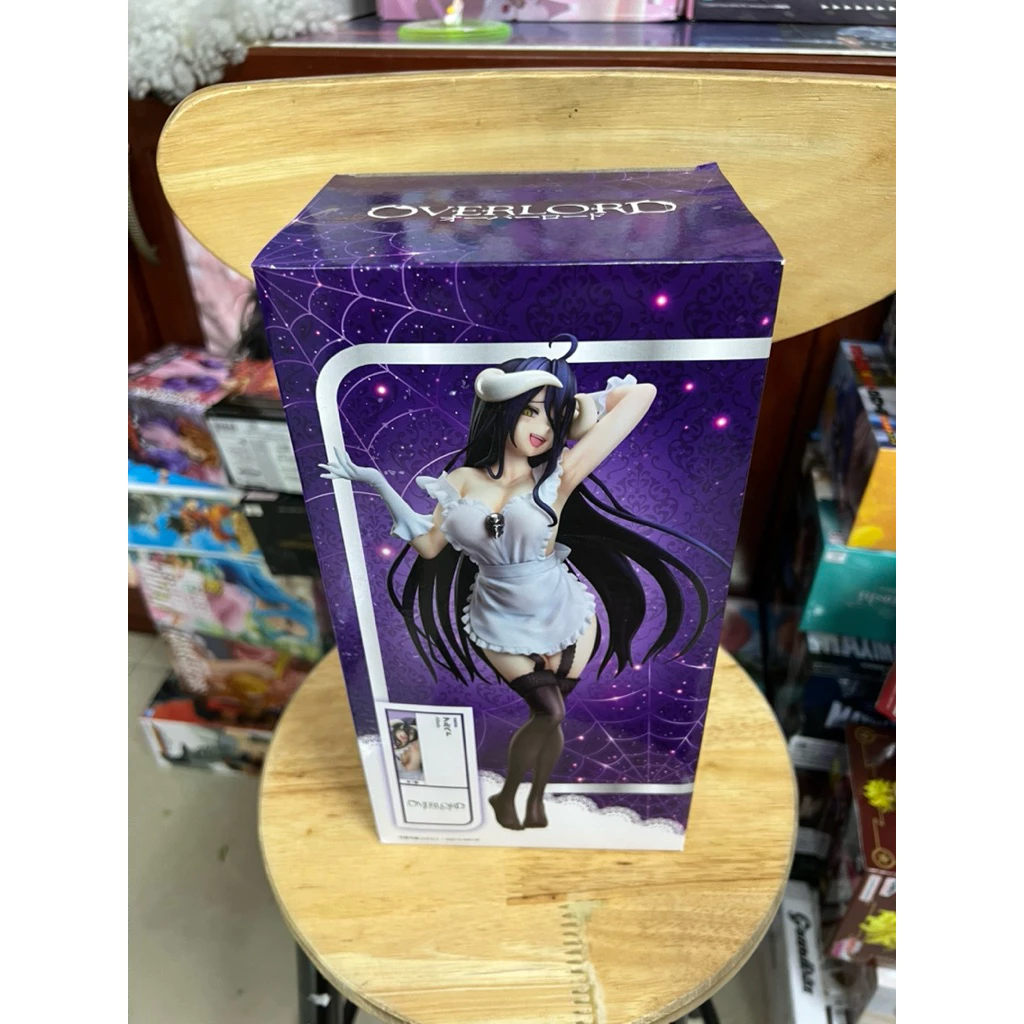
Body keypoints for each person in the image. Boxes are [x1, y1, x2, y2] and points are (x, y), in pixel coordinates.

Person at [320, 336, 711, 830]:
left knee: (550, 716)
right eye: (529, 411)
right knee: (550, 714)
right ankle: (511, 795)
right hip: (497, 619)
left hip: (565, 614)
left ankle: (528, 800)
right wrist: (377, 483)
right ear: (502, 409)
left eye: (553, 417)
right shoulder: (461, 479)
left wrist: (577, 403)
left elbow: (642, 394)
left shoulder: (558, 476)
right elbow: (431, 546)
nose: (542, 429)